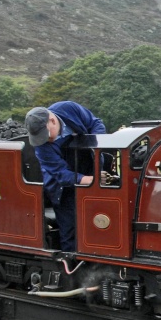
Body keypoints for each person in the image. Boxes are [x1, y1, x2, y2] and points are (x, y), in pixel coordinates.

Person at [25, 101, 106, 251]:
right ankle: (71, 268)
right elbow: (61, 174)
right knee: (70, 232)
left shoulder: (68, 108)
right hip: (63, 189)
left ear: (53, 120)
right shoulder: (41, 148)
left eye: (46, 135)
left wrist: (97, 153)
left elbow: (95, 124)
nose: (44, 140)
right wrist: (89, 180)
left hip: (89, 165)